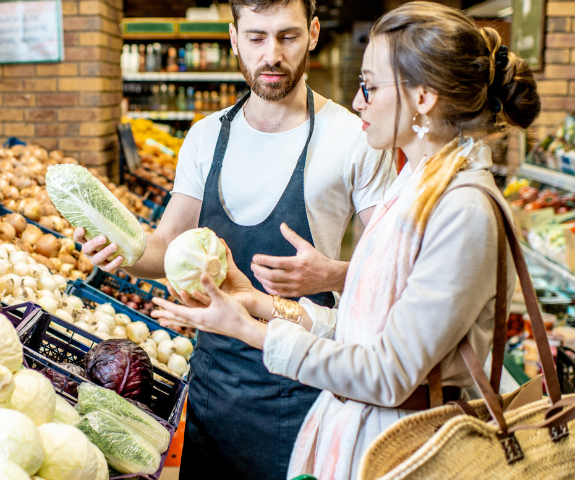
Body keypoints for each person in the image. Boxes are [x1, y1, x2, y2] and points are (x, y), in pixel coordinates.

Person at [151, 2, 542, 479]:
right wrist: (253, 301)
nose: (358, 102)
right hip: (356, 429)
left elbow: (387, 374)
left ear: (422, 98)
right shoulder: (418, 189)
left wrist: (250, 329)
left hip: (407, 447)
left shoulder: (462, 211)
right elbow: (361, 327)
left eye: (370, 87)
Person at [75, 0, 392, 477]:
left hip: (305, 383)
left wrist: (332, 273)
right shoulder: (206, 136)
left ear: (313, 33)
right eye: (256, 37)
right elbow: (166, 248)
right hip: (213, 387)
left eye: (286, 37)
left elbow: (389, 276)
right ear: (233, 38)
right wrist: (123, 251)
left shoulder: (352, 137)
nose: (272, 55)